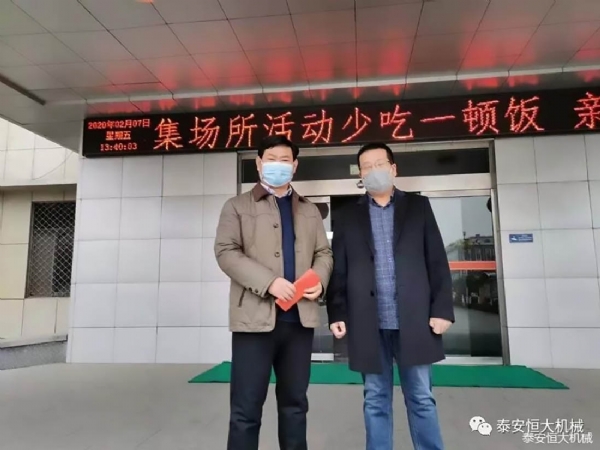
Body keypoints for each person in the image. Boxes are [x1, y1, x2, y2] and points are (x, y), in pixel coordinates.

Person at [326, 142, 454, 450]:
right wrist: (337, 312)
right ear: (360, 174)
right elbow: (338, 269)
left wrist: (442, 309)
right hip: (367, 322)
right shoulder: (347, 215)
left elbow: (436, 261)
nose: (373, 171)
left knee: (421, 397)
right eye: (366, 167)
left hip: (415, 319)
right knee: (375, 398)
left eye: (379, 164)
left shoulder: (418, 207)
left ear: (393, 168)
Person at [215, 135, 333, 450]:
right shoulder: (237, 206)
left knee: (295, 405)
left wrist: (320, 279)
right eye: (271, 159)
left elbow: (324, 253)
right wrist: (269, 282)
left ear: (294, 166)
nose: (277, 165)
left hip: (299, 322)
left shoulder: (309, 210)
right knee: (246, 409)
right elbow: (226, 252)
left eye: (284, 160)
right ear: (258, 164)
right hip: (254, 322)